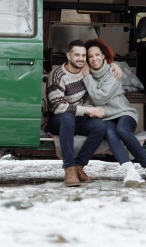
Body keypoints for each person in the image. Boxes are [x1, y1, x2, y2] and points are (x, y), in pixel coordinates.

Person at [82, 38, 146, 187]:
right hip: (107, 118)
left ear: (103, 56)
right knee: (110, 133)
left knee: (121, 129)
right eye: (90, 56)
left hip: (125, 113)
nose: (94, 58)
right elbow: (89, 100)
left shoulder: (113, 72)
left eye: (97, 54)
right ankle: (130, 171)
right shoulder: (87, 77)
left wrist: (88, 77)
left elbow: (99, 98)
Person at [46, 39, 109, 187]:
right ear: (68, 56)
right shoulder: (57, 75)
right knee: (67, 118)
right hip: (57, 120)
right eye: (77, 55)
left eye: (83, 55)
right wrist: (88, 110)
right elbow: (57, 106)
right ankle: (69, 168)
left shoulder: (86, 71)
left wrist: (115, 66)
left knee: (100, 126)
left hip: (77, 117)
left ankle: (79, 166)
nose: (81, 59)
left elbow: (103, 66)